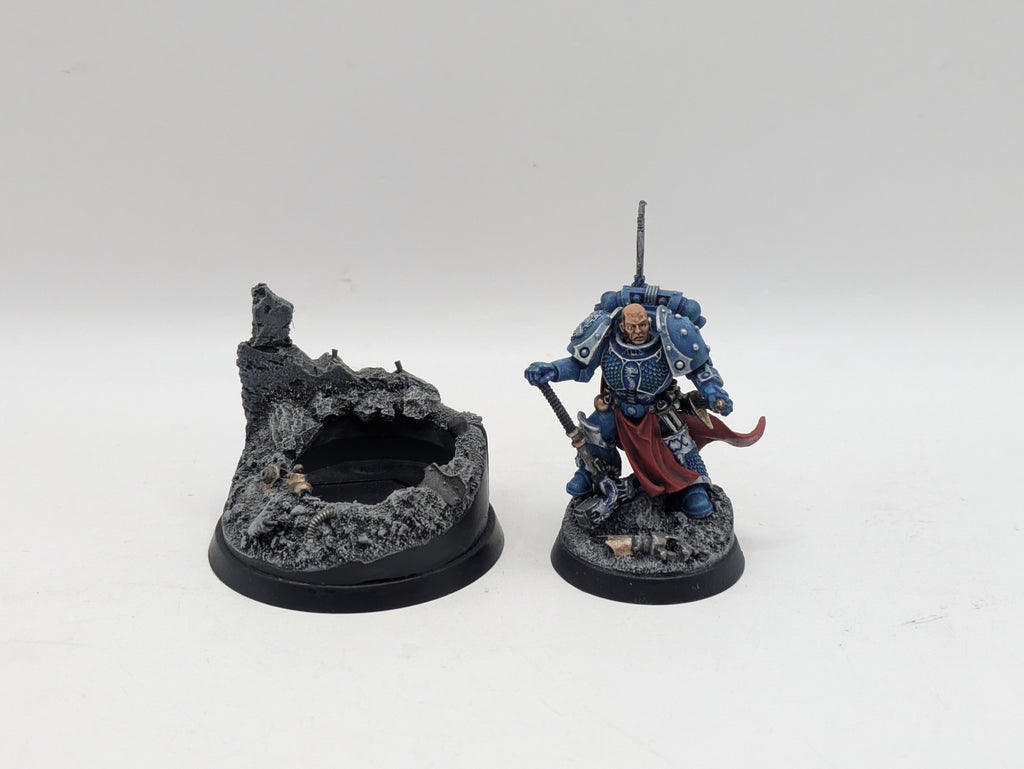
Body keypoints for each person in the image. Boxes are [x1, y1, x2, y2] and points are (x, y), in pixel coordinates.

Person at [525, 300, 762, 522]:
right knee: (595, 430)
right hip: (617, 408)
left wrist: (713, 392)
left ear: (649, 323)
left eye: (642, 325)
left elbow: (699, 368)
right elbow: (579, 365)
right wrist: (553, 370)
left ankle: (694, 487)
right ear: (622, 326)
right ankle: (591, 473)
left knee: (680, 444)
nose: (638, 331)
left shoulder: (666, 341)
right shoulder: (607, 341)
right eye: (632, 326)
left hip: (657, 410)